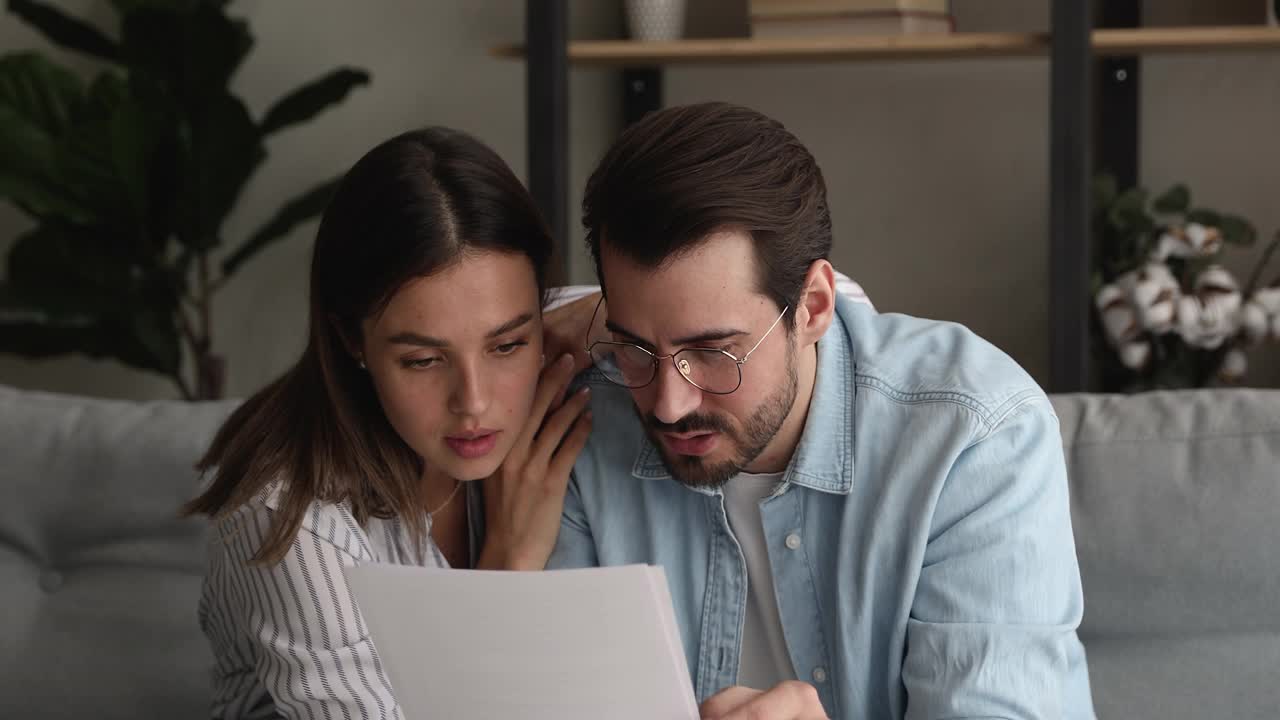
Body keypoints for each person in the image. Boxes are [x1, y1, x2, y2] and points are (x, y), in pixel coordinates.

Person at [549, 102, 1096, 720]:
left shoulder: (974, 436)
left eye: (712, 352)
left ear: (811, 308)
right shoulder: (587, 421)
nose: (670, 404)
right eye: (637, 348)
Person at [182, 127, 593, 719]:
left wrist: (604, 320)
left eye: (506, 346)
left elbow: (695, 309)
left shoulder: (519, 316)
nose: (474, 402)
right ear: (353, 339)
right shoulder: (291, 517)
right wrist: (509, 565)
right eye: (423, 360)